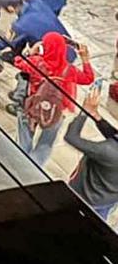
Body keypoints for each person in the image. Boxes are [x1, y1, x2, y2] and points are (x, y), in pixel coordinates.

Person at [14, 32, 94, 166]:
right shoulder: (69, 70)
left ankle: (20, 163)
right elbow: (88, 78)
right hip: (56, 111)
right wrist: (85, 59)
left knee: (24, 136)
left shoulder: (37, 62)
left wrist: (31, 53)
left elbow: (18, 62)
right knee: (46, 143)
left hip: (31, 108)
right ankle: (34, 167)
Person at [64, 87, 118, 222]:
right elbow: (114, 136)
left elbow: (71, 137)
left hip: (84, 196)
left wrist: (84, 112)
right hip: (108, 200)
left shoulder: (107, 150)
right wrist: (96, 116)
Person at [0, 0, 69, 61]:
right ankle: (15, 53)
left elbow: (8, 41)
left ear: (10, 8)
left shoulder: (21, 25)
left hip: (59, 56)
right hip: (68, 44)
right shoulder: (36, 1)